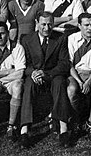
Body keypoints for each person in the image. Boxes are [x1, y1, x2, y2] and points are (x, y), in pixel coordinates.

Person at [20, 12, 71, 148]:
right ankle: (24, 130)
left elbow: (64, 63)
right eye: (43, 24)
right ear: (37, 23)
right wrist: (33, 73)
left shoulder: (60, 38)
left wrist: (46, 73)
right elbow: (23, 64)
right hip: (34, 76)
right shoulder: (26, 39)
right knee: (29, 85)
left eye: (49, 24)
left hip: (52, 74)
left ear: (53, 24)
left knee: (60, 82)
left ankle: (63, 128)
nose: (46, 28)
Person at [67, 13, 91, 140]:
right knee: (71, 90)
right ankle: (77, 120)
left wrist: (88, 82)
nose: (90, 28)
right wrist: (78, 81)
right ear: (79, 26)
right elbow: (69, 64)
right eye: (86, 25)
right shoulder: (72, 39)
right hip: (75, 73)